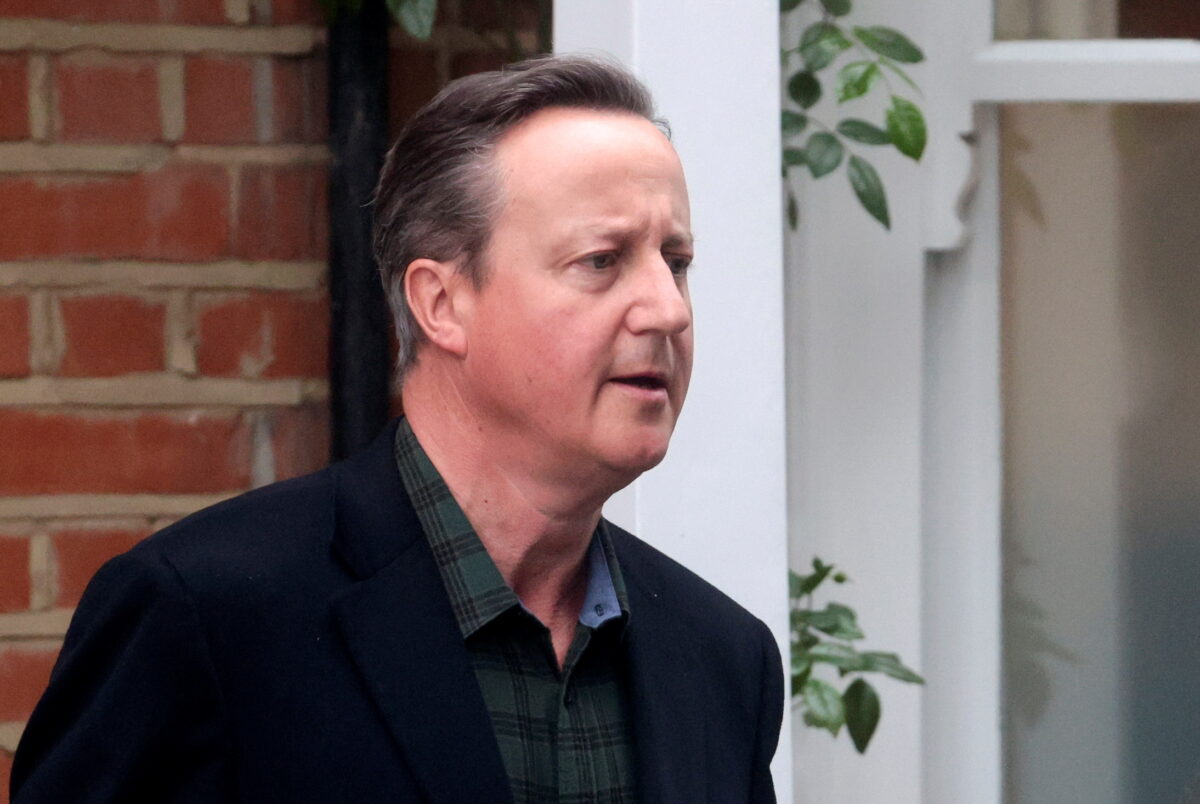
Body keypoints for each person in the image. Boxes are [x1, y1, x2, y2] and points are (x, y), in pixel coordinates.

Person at [10, 55, 784, 803]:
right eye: (601, 260)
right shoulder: (207, 618)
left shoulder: (722, 659)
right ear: (441, 304)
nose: (668, 309)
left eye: (676, 261)